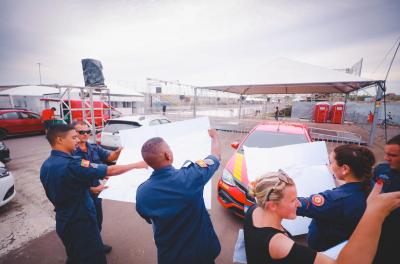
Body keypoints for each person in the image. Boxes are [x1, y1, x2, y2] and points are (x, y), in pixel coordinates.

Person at [40, 123, 147, 264]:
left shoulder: (47, 164)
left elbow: (64, 188)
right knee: (93, 258)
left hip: (65, 219)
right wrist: (136, 165)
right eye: (73, 137)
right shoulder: (72, 163)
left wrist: (89, 190)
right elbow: (109, 170)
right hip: (80, 221)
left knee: (75, 255)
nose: (78, 140)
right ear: (60, 140)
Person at [244, 171, 400, 264]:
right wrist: (374, 212)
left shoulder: (254, 209)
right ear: (272, 205)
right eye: (292, 200)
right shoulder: (279, 245)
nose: (298, 203)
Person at [136, 129, 221, 264]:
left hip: (170, 256)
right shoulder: (191, 176)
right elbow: (215, 157)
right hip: (200, 254)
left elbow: (148, 218)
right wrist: (215, 137)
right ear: (167, 155)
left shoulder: (142, 192)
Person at [296, 144, 375, 251]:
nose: (329, 166)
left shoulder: (335, 200)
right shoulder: (372, 188)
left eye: (331, 162)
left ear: (345, 169)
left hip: (326, 250)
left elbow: (298, 205)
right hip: (350, 247)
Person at [71, 120, 123, 254]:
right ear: (73, 133)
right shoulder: (71, 152)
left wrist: (119, 151)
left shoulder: (93, 147)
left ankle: (97, 244)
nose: (85, 134)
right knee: (83, 224)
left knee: (97, 221)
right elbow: (70, 179)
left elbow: (110, 156)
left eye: (87, 131)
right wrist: (89, 189)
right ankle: (82, 251)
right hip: (81, 194)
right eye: (81, 132)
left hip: (96, 191)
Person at [372, 134, 400, 264]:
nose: (386, 158)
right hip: (376, 231)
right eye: (386, 153)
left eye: (393, 155)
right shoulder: (381, 170)